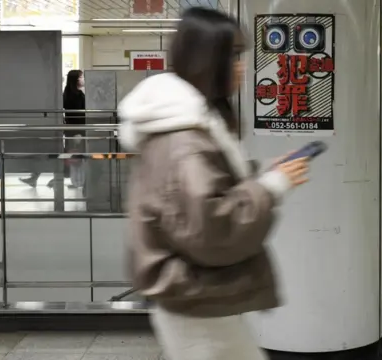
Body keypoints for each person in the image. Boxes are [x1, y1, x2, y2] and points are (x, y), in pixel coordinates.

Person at [118, 7, 309, 360]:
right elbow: (212, 227)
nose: (242, 66)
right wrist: (271, 187)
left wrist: (265, 174)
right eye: (233, 56)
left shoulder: (188, 121)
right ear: (208, 60)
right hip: (194, 295)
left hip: (193, 292)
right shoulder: (184, 140)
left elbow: (202, 196)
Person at [21, 69, 86, 188]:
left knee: (67, 156)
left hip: (71, 131)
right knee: (69, 156)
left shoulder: (67, 93)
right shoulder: (76, 95)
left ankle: (42, 178)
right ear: (75, 79)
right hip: (76, 131)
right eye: (81, 77)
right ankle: (57, 179)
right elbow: (79, 115)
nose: (83, 79)